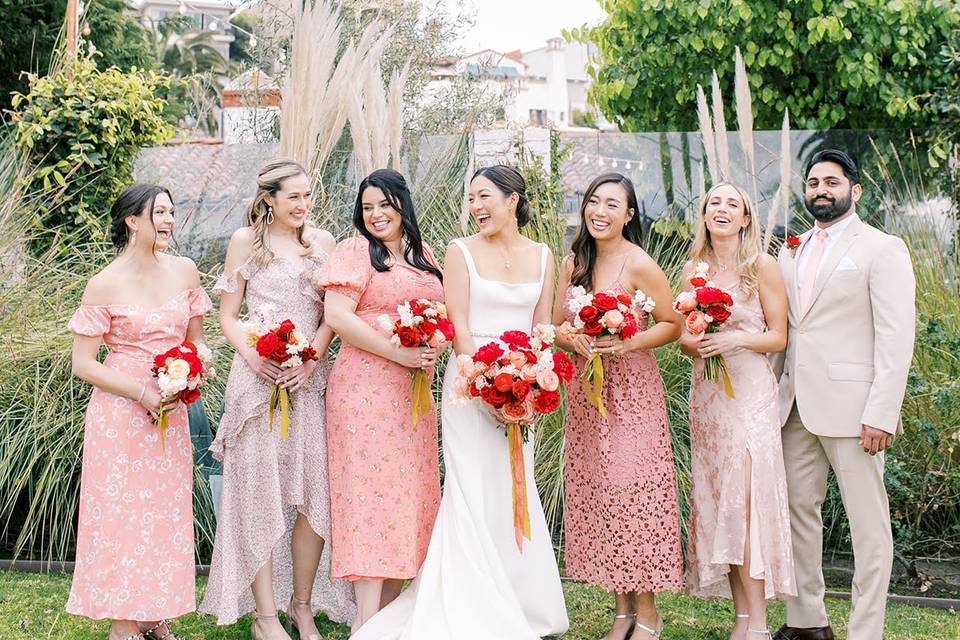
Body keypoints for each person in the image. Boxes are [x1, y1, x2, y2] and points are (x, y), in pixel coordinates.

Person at [351, 165, 569, 640]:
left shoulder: (544, 255)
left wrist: (531, 385)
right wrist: (487, 385)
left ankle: (519, 598)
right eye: (471, 199)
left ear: (513, 201)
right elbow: (461, 328)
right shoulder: (459, 251)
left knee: (514, 484)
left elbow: (541, 329)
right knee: (472, 487)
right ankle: (471, 602)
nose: (476, 207)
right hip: (470, 385)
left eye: (485, 196)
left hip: (524, 385)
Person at [200, 160, 354, 639]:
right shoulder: (246, 242)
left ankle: (301, 606)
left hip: (308, 383)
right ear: (269, 198)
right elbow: (228, 315)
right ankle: (265, 617)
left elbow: (333, 314)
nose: (303, 205)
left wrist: (312, 360)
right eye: (294, 197)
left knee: (311, 497)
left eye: (308, 196)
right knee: (257, 494)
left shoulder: (323, 243)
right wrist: (253, 356)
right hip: (256, 383)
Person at [773, 149, 916, 640]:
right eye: (813, 182)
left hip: (857, 412)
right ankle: (807, 620)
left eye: (831, 182)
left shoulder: (882, 248)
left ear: (855, 191)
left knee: (868, 527)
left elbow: (897, 336)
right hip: (794, 406)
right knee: (797, 514)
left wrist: (882, 412)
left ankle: (866, 630)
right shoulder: (789, 249)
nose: (820, 190)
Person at [67, 184, 211, 640]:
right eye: (160, 212)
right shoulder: (104, 283)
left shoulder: (185, 271)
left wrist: (192, 371)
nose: (169, 220)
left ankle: (153, 613)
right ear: (133, 220)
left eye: (172, 211)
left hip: (172, 409)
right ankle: (125, 622)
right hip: (120, 415)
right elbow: (83, 364)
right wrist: (141, 393)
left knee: (163, 511)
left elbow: (198, 340)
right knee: (118, 514)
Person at [553, 173, 683, 640]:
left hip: (632, 396)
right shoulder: (574, 263)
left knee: (633, 498)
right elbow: (553, 326)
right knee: (603, 497)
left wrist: (629, 343)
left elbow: (672, 323)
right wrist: (574, 339)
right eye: (593, 201)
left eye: (612, 204)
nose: (599, 211)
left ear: (629, 215)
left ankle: (648, 613)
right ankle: (621, 612)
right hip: (588, 398)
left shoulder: (640, 263)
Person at [319, 168, 444, 632]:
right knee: (367, 496)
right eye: (367, 207)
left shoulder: (424, 254)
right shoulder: (353, 252)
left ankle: (394, 618)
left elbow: (442, 315)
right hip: (364, 391)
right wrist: (398, 351)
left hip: (413, 396)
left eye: (384, 204)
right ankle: (364, 623)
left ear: (403, 204)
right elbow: (337, 317)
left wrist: (433, 346)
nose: (375, 215)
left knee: (407, 498)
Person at [679, 183, 795, 640]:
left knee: (747, 502)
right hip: (708, 397)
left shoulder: (760, 266)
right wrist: (698, 341)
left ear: (745, 218)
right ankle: (741, 621)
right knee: (718, 500)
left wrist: (736, 338)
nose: (721, 209)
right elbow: (685, 338)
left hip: (749, 394)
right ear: (705, 215)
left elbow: (778, 337)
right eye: (713, 202)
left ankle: (760, 625)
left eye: (732, 203)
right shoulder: (695, 270)